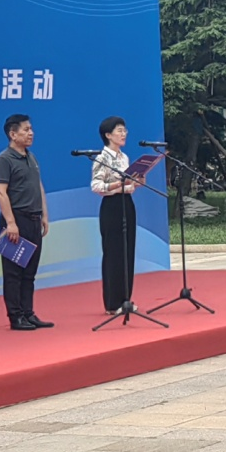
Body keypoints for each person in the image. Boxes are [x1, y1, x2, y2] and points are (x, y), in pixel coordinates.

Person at [0, 114, 52, 331]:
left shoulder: (31, 157)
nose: (31, 133)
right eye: (26, 130)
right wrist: (11, 223)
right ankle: (15, 315)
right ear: (12, 134)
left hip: (34, 219)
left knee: (30, 272)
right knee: (14, 273)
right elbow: (1, 193)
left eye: (31, 129)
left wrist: (44, 215)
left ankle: (28, 312)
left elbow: (39, 186)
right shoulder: (4, 160)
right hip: (16, 220)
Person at [91, 116, 139, 315]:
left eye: (124, 130)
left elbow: (130, 185)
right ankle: (112, 303)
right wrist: (118, 184)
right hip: (111, 206)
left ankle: (126, 299)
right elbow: (96, 186)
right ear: (108, 135)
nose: (123, 134)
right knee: (114, 253)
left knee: (127, 251)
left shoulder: (124, 157)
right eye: (119, 130)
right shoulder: (102, 158)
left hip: (127, 203)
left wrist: (137, 180)